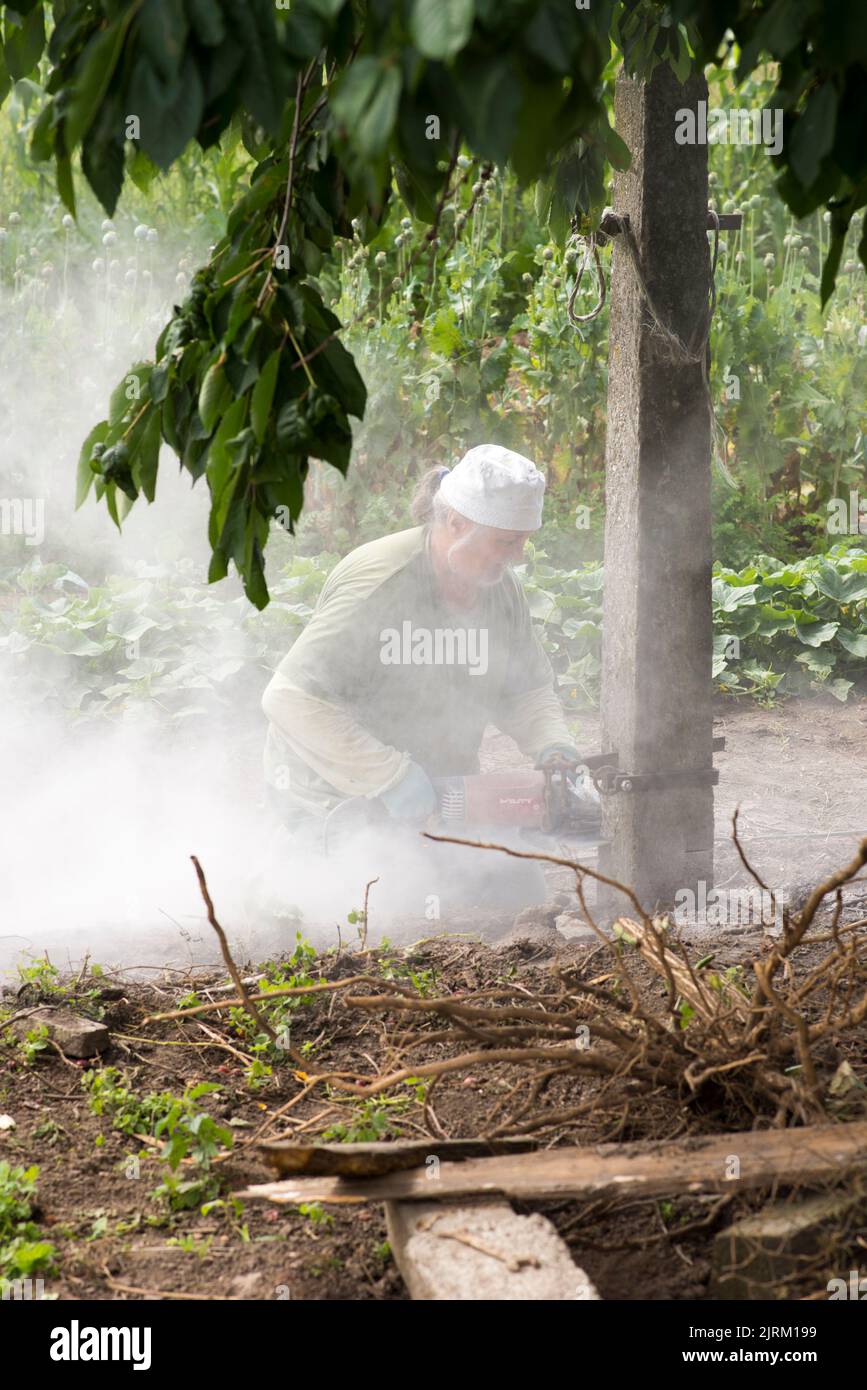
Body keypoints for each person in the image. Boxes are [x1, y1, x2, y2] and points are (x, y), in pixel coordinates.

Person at [260, 444, 596, 915]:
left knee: (518, 896)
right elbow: (289, 699)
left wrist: (554, 749)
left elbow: (526, 690)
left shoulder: (499, 588)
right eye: (505, 541)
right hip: (338, 798)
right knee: (378, 916)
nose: (517, 556)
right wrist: (391, 778)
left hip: (441, 797)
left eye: (522, 540)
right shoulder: (380, 582)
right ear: (455, 521)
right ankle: (290, 876)